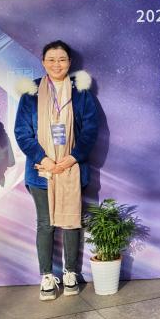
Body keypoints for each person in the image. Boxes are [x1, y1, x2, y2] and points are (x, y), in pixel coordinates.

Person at [15, 41, 98, 301]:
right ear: (43, 62)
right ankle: (47, 276)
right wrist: (45, 159)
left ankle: (71, 272)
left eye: (62, 59)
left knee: (71, 221)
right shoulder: (30, 94)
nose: (56, 64)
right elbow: (22, 132)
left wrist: (71, 158)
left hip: (72, 168)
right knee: (45, 223)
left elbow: (90, 130)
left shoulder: (81, 93)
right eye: (51, 59)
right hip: (42, 170)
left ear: (69, 62)